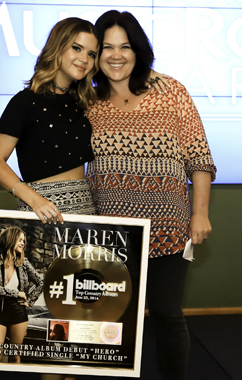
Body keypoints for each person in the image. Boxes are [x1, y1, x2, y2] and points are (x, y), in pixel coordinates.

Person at [86, 10, 217, 380]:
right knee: (108, 319)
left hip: (168, 229)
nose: (116, 55)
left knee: (166, 314)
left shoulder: (171, 91)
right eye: (106, 47)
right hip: (108, 233)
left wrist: (199, 213)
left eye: (125, 46)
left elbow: (200, 157)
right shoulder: (88, 101)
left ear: (138, 50)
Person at [0, 17, 100, 224]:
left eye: (91, 54)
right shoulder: (26, 101)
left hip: (85, 213)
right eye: (77, 48)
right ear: (58, 47)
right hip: (43, 212)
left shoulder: (84, 102)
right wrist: (35, 201)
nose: (84, 58)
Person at [0, 226, 43, 364]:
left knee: (15, 356)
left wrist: (29, 299)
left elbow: (40, 282)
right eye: (20, 240)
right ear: (10, 239)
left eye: (24, 241)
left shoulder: (23, 263)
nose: (23, 243)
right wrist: (17, 293)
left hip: (18, 312)